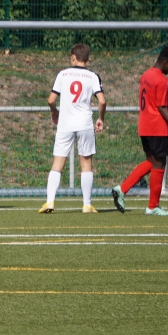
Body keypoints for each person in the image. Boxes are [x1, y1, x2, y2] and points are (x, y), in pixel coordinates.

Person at [111, 47, 168, 215]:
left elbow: (153, 102)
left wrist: (165, 110)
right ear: (165, 62)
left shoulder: (146, 75)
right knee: (159, 164)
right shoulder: (161, 80)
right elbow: (161, 108)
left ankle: (122, 189)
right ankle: (152, 206)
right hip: (157, 128)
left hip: (145, 125)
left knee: (151, 162)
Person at [39, 43, 106, 214]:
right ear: (88, 59)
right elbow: (102, 101)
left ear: (73, 57)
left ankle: (50, 202)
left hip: (65, 124)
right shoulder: (93, 76)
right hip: (84, 124)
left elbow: (51, 99)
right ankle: (86, 205)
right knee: (86, 163)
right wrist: (100, 118)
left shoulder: (63, 74)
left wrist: (54, 112)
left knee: (57, 162)